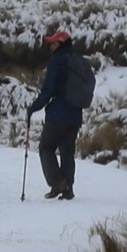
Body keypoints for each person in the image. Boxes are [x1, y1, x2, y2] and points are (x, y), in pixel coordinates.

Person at [27, 31, 83, 200]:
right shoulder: (77, 62)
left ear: (61, 44)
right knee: (67, 151)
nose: (51, 46)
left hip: (58, 114)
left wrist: (33, 108)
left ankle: (58, 182)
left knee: (46, 147)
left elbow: (48, 91)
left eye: (53, 44)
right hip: (75, 114)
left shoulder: (57, 62)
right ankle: (68, 189)